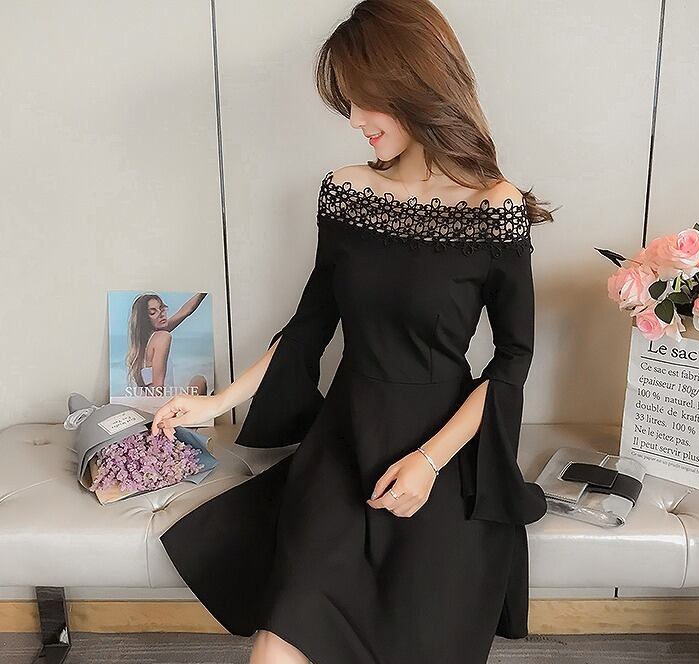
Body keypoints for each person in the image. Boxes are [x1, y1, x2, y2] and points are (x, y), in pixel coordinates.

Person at [152, 1, 556, 662]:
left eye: (366, 101)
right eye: (347, 103)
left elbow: (513, 359)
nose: (355, 121)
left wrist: (428, 463)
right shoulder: (346, 192)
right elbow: (310, 325)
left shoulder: (494, 207)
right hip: (341, 445)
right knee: (278, 642)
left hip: (443, 454)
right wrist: (218, 401)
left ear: (415, 86)